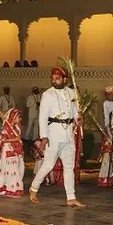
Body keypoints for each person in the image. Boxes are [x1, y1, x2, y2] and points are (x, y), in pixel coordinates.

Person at [28, 67, 84, 207]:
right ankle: (33, 188)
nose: (54, 80)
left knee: (69, 167)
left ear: (65, 79)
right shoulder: (48, 94)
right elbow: (42, 116)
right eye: (52, 78)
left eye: (57, 78)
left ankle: (71, 197)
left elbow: (74, 112)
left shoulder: (72, 93)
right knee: (48, 164)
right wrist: (44, 136)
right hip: (53, 134)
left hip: (68, 134)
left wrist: (78, 119)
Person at [0, 108, 25, 197]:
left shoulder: (17, 127)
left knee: (18, 169)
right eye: (18, 117)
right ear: (13, 117)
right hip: (8, 150)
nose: (20, 119)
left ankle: (11, 188)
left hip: (17, 151)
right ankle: (12, 190)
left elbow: (19, 139)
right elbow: (3, 140)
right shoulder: (6, 127)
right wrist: (14, 139)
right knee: (11, 170)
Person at [97, 85, 113, 188]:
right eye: (107, 94)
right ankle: (106, 177)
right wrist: (108, 134)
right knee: (107, 153)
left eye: (111, 94)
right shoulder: (105, 104)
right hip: (110, 132)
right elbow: (106, 120)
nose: (109, 96)